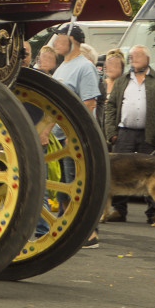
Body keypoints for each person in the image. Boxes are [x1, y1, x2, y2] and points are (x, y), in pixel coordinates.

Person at [102, 45, 155, 222]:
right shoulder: (122, 80)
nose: (133, 59)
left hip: (149, 134)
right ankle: (118, 210)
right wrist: (111, 132)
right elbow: (110, 106)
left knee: (150, 173)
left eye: (137, 56)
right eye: (132, 57)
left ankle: (154, 212)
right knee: (118, 173)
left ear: (147, 59)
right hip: (124, 133)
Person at [50, 23, 101, 247]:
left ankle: (89, 234)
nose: (55, 42)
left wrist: (75, 133)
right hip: (58, 137)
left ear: (72, 40)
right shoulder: (63, 66)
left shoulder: (85, 67)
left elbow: (89, 103)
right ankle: (67, 230)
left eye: (59, 37)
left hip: (72, 138)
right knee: (63, 187)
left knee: (76, 185)